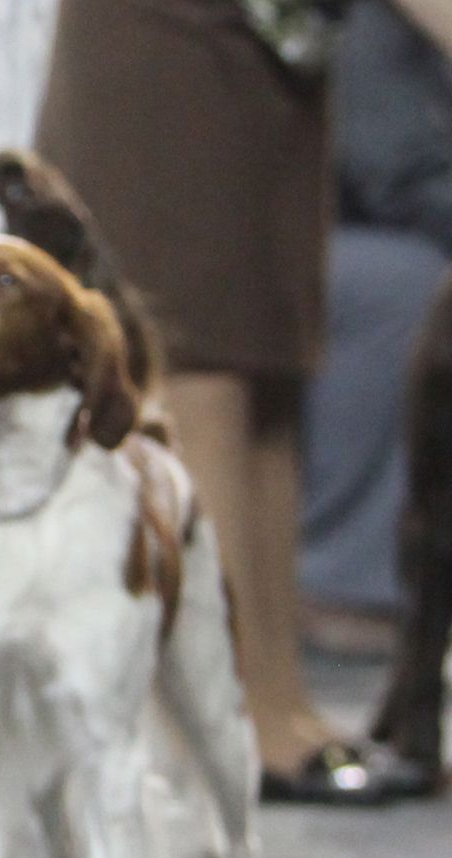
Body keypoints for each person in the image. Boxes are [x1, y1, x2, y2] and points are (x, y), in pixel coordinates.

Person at [37, 0, 394, 804]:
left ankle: (281, 699)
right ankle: (230, 720)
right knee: (200, 364)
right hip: (168, 36)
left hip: (276, 39)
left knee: (272, 362)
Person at [301, 0, 452, 676]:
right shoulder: (383, 25)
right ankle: (343, 580)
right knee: (412, 291)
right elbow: (389, 169)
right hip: (347, 239)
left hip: (407, 222)